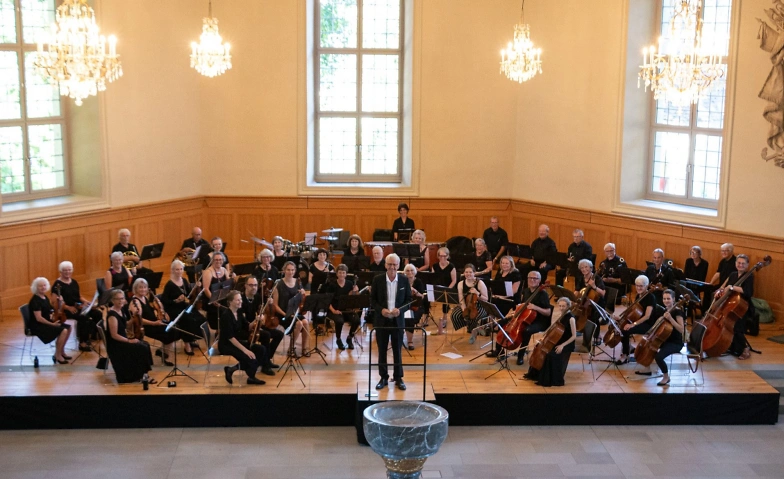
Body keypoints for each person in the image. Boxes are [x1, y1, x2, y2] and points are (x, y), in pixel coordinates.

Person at [486, 270, 552, 364]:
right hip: (524, 318)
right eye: (530, 278)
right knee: (502, 322)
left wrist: (536, 307)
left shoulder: (543, 294)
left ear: (539, 281)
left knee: (526, 331)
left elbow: (548, 312)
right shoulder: (526, 291)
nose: (532, 280)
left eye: (535, 278)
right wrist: (517, 311)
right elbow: (523, 305)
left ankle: (521, 355)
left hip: (539, 321)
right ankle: (499, 351)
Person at [371, 253, 412, 391]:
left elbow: (409, 300)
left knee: (397, 350)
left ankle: (398, 377)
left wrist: (400, 310)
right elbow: (372, 300)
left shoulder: (404, 280)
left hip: (397, 321)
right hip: (381, 320)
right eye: (390, 264)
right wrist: (381, 310)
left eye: (395, 264)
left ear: (398, 265)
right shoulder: (377, 279)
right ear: (385, 265)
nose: (392, 267)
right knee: (382, 350)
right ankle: (383, 377)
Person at [220, 290, 272, 385]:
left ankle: (232, 369)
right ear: (230, 302)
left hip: (237, 341)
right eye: (237, 300)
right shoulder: (226, 316)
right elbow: (230, 338)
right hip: (227, 345)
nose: (241, 301)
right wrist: (245, 350)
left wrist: (256, 320)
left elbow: (247, 327)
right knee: (251, 358)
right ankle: (251, 377)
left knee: (261, 350)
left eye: (241, 299)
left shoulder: (238, 312)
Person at [522, 297, 577, 387]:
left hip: (567, 343)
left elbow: (574, 336)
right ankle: (537, 375)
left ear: (568, 306)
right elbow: (555, 331)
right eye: (560, 306)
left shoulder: (571, 318)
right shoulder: (562, 315)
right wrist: (544, 339)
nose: (561, 308)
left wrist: (562, 345)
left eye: (563, 306)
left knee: (549, 354)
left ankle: (550, 379)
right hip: (558, 340)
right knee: (540, 349)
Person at [102, 289, 154, 384]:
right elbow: (114, 335)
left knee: (145, 344)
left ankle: (143, 373)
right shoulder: (112, 315)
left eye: (122, 298)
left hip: (122, 339)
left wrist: (134, 318)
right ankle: (141, 375)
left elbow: (124, 325)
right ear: (112, 300)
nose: (121, 301)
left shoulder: (121, 310)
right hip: (116, 344)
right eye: (118, 299)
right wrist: (129, 341)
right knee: (141, 347)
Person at [52, 261, 102, 352]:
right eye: (65, 270)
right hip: (65, 309)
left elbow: (78, 296)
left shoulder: (74, 282)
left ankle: (92, 335)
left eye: (69, 270)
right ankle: (82, 343)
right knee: (83, 318)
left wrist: (86, 302)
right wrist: (68, 307)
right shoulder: (57, 285)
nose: (67, 272)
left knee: (97, 313)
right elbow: (55, 302)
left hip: (77, 306)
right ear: (60, 271)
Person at [128, 278, 180, 366]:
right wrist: (154, 323)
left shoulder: (144, 297)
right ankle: (165, 355)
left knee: (175, 328)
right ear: (135, 288)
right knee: (171, 332)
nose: (143, 289)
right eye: (140, 287)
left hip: (155, 323)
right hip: (146, 327)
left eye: (145, 287)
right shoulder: (135, 302)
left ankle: (163, 351)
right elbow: (139, 320)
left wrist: (161, 313)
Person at [715, 254, 754, 360]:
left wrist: (732, 287)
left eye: (743, 263)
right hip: (731, 304)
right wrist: (720, 292)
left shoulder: (749, 276)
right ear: (735, 263)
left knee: (737, 328)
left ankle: (745, 349)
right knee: (728, 326)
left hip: (743, 307)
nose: (740, 265)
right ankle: (731, 347)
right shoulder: (733, 274)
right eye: (738, 263)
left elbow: (748, 292)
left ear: (747, 265)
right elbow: (725, 289)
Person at [160, 260, 202, 355]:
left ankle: (191, 339)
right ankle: (187, 345)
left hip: (183, 306)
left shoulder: (184, 280)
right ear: (172, 270)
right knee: (187, 320)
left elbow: (189, 295)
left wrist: (196, 287)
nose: (179, 271)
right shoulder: (169, 284)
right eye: (177, 269)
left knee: (198, 317)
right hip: (173, 309)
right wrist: (176, 300)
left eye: (181, 269)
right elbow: (164, 301)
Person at [645, 289, 686, 386]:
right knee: (649, 347)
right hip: (665, 340)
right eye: (664, 299)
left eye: (668, 299)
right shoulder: (666, 310)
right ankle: (646, 369)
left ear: (673, 299)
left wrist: (670, 319)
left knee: (658, 357)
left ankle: (666, 377)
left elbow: (681, 329)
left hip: (675, 343)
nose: (666, 301)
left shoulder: (678, 312)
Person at [615, 275, 658, 365]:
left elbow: (647, 316)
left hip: (648, 324)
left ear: (646, 286)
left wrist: (633, 324)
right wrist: (621, 318)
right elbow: (634, 311)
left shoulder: (651, 297)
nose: (638, 288)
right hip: (639, 321)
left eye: (641, 286)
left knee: (625, 330)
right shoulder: (638, 295)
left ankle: (625, 355)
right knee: (621, 326)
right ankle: (629, 348)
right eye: (637, 285)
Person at [28, 277, 72, 364]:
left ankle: (61, 351)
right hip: (38, 326)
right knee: (63, 330)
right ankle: (57, 355)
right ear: (36, 287)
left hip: (46, 322)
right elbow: (39, 318)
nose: (43, 287)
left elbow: (51, 309)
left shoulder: (44, 297)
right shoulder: (35, 301)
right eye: (40, 286)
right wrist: (52, 324)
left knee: (69, 328)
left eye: (44, 285)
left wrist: (60, 301)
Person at [240, 276, 284, 362]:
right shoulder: (241, 300)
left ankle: (266, 358)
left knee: (279, 334)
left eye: (255, 285)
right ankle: (265, 363)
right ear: (245, 286)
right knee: (266, 335)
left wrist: (268, 307)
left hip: (257, 325)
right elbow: (243, 322)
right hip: (246, 328)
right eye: (251, 285)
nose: (254, 287)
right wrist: (256, 322)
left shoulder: (258, 297)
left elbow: (262, 311)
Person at [272, 262, 310, 356]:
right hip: (283, 314)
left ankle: (304, 349)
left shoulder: (298, 282)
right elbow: (275, 305)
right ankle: (291, 348)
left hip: (295, 312)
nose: (290, 272)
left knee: (305, 322)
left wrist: (302, 294)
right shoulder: (278, 284)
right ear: (284, 270)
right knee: (299, 323)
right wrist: (286, 315)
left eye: (292, 270)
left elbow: (301, 300)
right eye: (288, 270)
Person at [323, 264, 360, 350]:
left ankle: (349, 338)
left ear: (346, 274)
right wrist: (333, 311)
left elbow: (354, 298)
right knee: (339, 321)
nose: (341, 275)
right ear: (336, 274)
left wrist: (356, 291)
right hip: (334, 309)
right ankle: (338, 339)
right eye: (340, 273)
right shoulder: (332, 285)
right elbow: (327, 300)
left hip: (347, 309)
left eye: (343, 273)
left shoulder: (350, 284)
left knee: (356, 320)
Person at [454, 264, 488, 344]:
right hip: (466, 305)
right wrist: (464, 310)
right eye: (466, 272)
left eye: (470, 272)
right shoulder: (460, 283)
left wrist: (477, 293)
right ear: (464, 273)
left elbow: (486, 298)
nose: (468, 274)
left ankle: (473, 332)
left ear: (474, 273)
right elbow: (461, 299)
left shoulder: (480, 283)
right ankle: (474, 327)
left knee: (474, 316)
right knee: (455, 315)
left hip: (480, 305)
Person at [573, 258, 605, 341]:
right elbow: (577, 291)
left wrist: (594, 286)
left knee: (593, 315)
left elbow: (603, 293)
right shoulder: (581, 278)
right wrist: (573, 298)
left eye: (586, 267)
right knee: (573, 311)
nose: (584, 269)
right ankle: (580, 329)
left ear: (591, 268)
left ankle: (597, 336)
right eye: (582, 268)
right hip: (584, 302)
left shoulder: (597, 278)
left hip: (597, 303)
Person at [201, 253, 232, 329]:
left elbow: (228, 284)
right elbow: (206, 289)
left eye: (220, 259)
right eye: (216, 260)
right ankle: (219, 329)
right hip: (211, 299)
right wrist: (213, 299)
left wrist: (232, 278)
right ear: (212, 261)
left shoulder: (224, 270)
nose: (218, 261)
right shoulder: (208, 272)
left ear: (223, 260)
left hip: (222, 297)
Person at [431, 246, 457, 335]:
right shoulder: (435, 266)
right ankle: (426, 316)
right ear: (438, 256)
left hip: (448, 287)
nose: (442, 258)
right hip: (438, 287)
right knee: (426, 297)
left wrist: (447, 289)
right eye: (440, 256)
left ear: (447, 256)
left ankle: (445, 317)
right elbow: (433, 278)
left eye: (444, 256)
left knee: (445, 298)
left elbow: (454, 280)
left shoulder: (451, 266)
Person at [403, 264, 428, 350]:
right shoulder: (402, 281)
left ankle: (410, 342)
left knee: (409, 318)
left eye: (412, 270)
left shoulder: (418, 282)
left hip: (416, 307)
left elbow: (422, 297)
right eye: (407, 270)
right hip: (405, 306)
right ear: (405, 272)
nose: (410, 272)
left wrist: (415, 291)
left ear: (415, 272)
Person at [598, 243, 626, 309]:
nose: (610, 253)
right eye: (607, 251)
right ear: (605, 252)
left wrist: (613, 280)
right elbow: (599, 278)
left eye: (611, 250)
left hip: (617, 289)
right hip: (605, 288)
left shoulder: (621, 262)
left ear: (614, 250)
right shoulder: (603, 263)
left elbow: (624, 280)